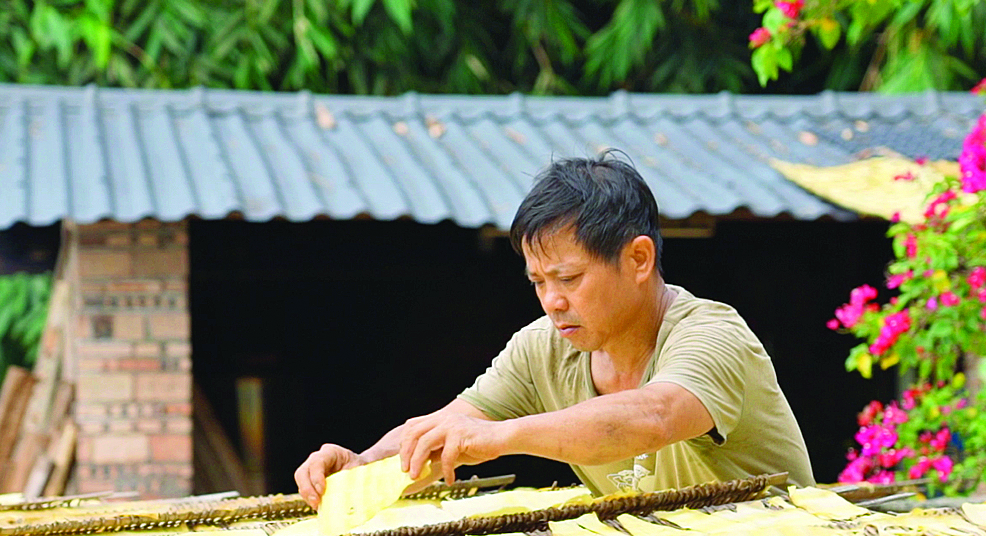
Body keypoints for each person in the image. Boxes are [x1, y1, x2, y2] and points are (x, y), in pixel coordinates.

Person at [294, 153, 814, 507]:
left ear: (638, 258)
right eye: (538, 281)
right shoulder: (542, 347)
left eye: (568, 278)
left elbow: (654, 416)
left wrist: (501, 437)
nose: (552, 300)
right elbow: (447, 433)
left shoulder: (712, 334)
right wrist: (360, 468)